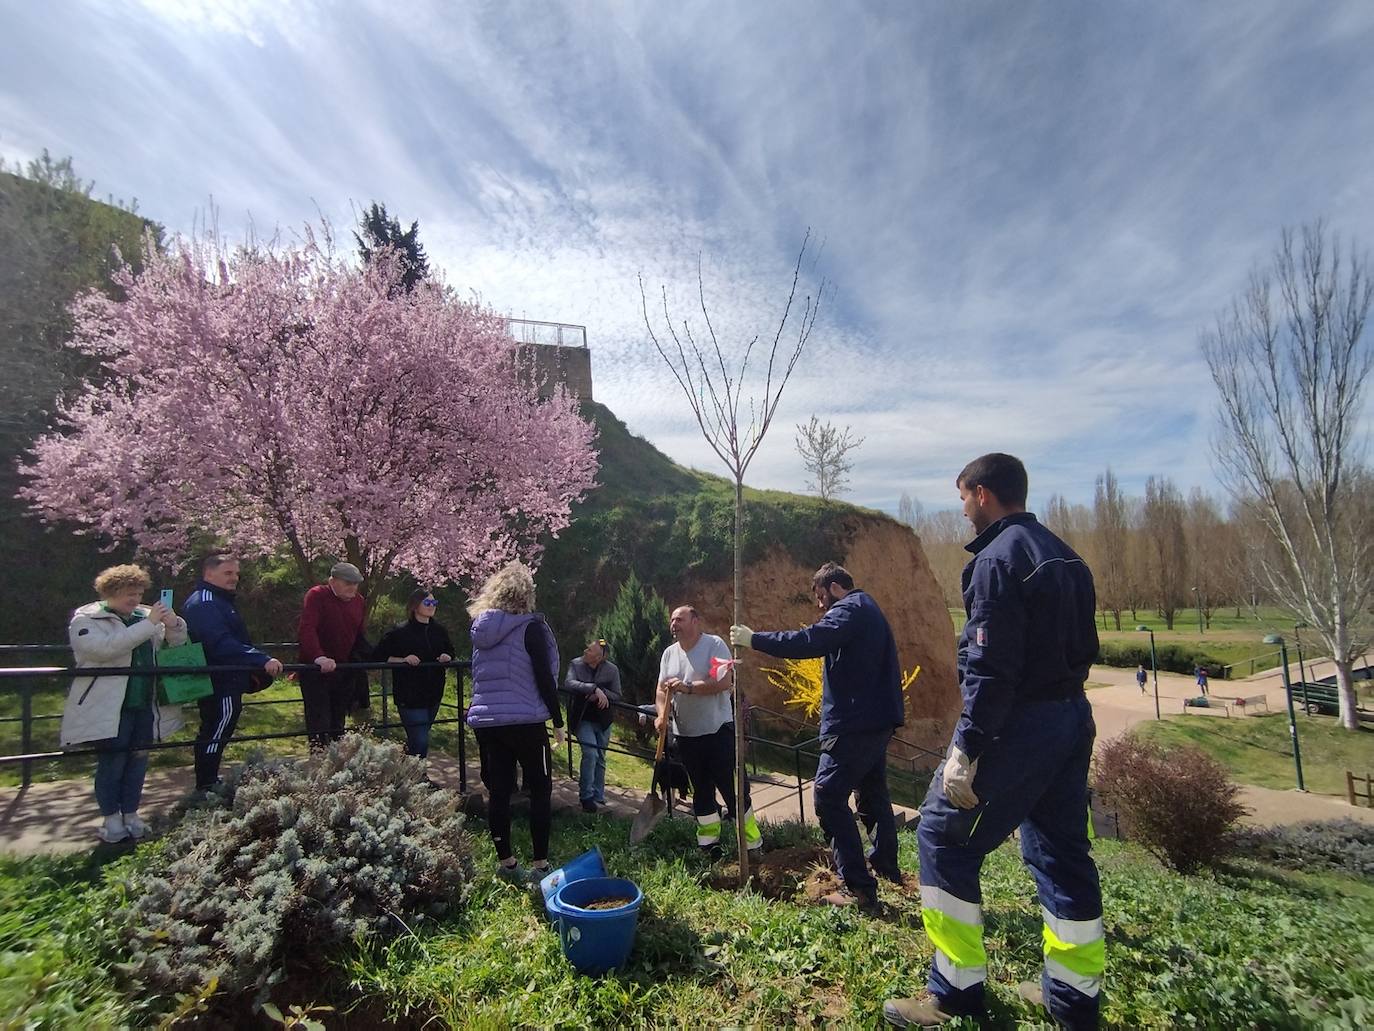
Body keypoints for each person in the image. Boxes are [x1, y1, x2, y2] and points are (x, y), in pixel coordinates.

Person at [885, 454, 1104, 1030]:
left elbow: (990, 668)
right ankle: (1073, 997)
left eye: (962, 498)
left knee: (941, 836)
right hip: (1071, 717)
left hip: (1018, 723)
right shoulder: (1068, 557)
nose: (961, 510)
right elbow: (1086, 649)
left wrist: (967, 749)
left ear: (982, 495)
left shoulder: (997, 561)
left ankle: (955, 992)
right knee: (1061, 851)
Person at [730, 562, 904, 912]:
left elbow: (812, 639)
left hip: (853, 722)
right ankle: (885, 866)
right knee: (871, 792)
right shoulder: (868, 609)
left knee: (828, 795)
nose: (821, 607)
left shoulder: (850, 609)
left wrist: (754, 639)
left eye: (822, 598)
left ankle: (859, 888)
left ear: (836, 588)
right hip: (875, 719)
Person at [59, 564, 188, 843]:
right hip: (108, 706)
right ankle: (111, 818)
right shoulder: (87, 620)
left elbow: (175, 644)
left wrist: (174, 624)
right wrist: (150, 623)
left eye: (139, 592)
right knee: (113, 761)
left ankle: (131, 813)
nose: (135, 599)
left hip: (143, 702)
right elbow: (105, 649)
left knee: (138, 760)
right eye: (129, 593)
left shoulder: (145, 617)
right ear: (111, 592)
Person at [466, 561, 564, 878]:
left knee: (499, 792)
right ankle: (540, 865)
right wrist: (558, 721)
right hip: (525, 722)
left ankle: (506, 863)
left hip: (488, 723)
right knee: (540, 789)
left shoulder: (481, 633)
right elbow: (544, 678)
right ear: (526, 595)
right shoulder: (530, 627)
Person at [656, 605, 761, 856]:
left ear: (696, 621)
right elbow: (661, 690)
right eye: (672, 620)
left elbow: (724, 682)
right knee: (701, 791)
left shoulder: (715, 646)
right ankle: (708, 845)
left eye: (679, 619)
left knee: (733, 788)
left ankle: (751, 844)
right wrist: (661, 714)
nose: (674, 624)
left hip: (718, 731)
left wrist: (687, 687)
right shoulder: (669, 654)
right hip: (686, 736)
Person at [183, 554, 283, 792]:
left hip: (227, 676)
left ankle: (208, 779)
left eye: (236, 573)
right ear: (209, 573)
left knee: (219, 727)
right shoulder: (206, 602)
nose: (234, 578)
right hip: (220, 678)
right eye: (228, 573)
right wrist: (260, 659)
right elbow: (219, 643)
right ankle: (206, 782)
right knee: (217, 728)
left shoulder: (219, 600)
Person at [371, 589, 454, 759]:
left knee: (418, 738)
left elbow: (451, 651)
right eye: (427, 603)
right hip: (409, 695)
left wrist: (447, 656)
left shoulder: (439, 631)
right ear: (415, 606)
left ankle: (406, 770)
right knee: (420, 740)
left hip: (434, 693)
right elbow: (378, 655)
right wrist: (402, 660)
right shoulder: (399, 631)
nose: (432, 607)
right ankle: (419, 776)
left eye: (434, 603)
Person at [297, 561, 367, 748]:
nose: (352, 587)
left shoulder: (359, 601)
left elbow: (359, 636)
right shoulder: (317, 595)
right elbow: (307, 628)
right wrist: (318, 656)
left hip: (343, 669)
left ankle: (336, 763)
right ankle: (319, 761)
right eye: (347, 583)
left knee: (338, 721)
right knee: (319, 720)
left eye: (355, 583)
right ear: (332, 581)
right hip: (316, 669)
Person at [564, 638, 622, 812]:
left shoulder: (612, 670)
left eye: (589, 651)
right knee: (590, 753)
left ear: (599, 657)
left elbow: (617, 695)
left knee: (601, 757)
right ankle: (586, 796)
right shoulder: (575, 664)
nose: (585, 652)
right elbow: (569, 683)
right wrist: (593, 688)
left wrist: (602, 693)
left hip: (603, 720)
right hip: (583, 718)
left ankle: (598, 796)